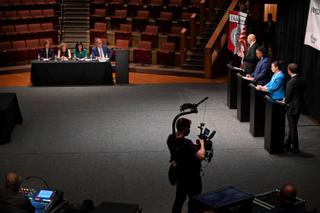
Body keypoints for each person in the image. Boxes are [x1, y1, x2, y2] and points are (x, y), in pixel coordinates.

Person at [167, 118, 206, 213]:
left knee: (179, 200)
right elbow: (201, 156)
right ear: (185, 129)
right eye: (189, 127)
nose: (189, 130)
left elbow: (181, 148)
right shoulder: (187, 143)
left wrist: (192, 146)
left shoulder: (170, 138)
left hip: (180, 176)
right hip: (192, 177)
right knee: (193, 201)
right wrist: (202, 145)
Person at [283, 63, 305, 153]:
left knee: (292, 128)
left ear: (289, 71)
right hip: (299, 106)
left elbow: (287, 98)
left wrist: (284, 101)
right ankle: (288, 143)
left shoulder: (291, 82)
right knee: (293, 126)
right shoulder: (302, 80)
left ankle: (295, 148)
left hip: (292, 107)